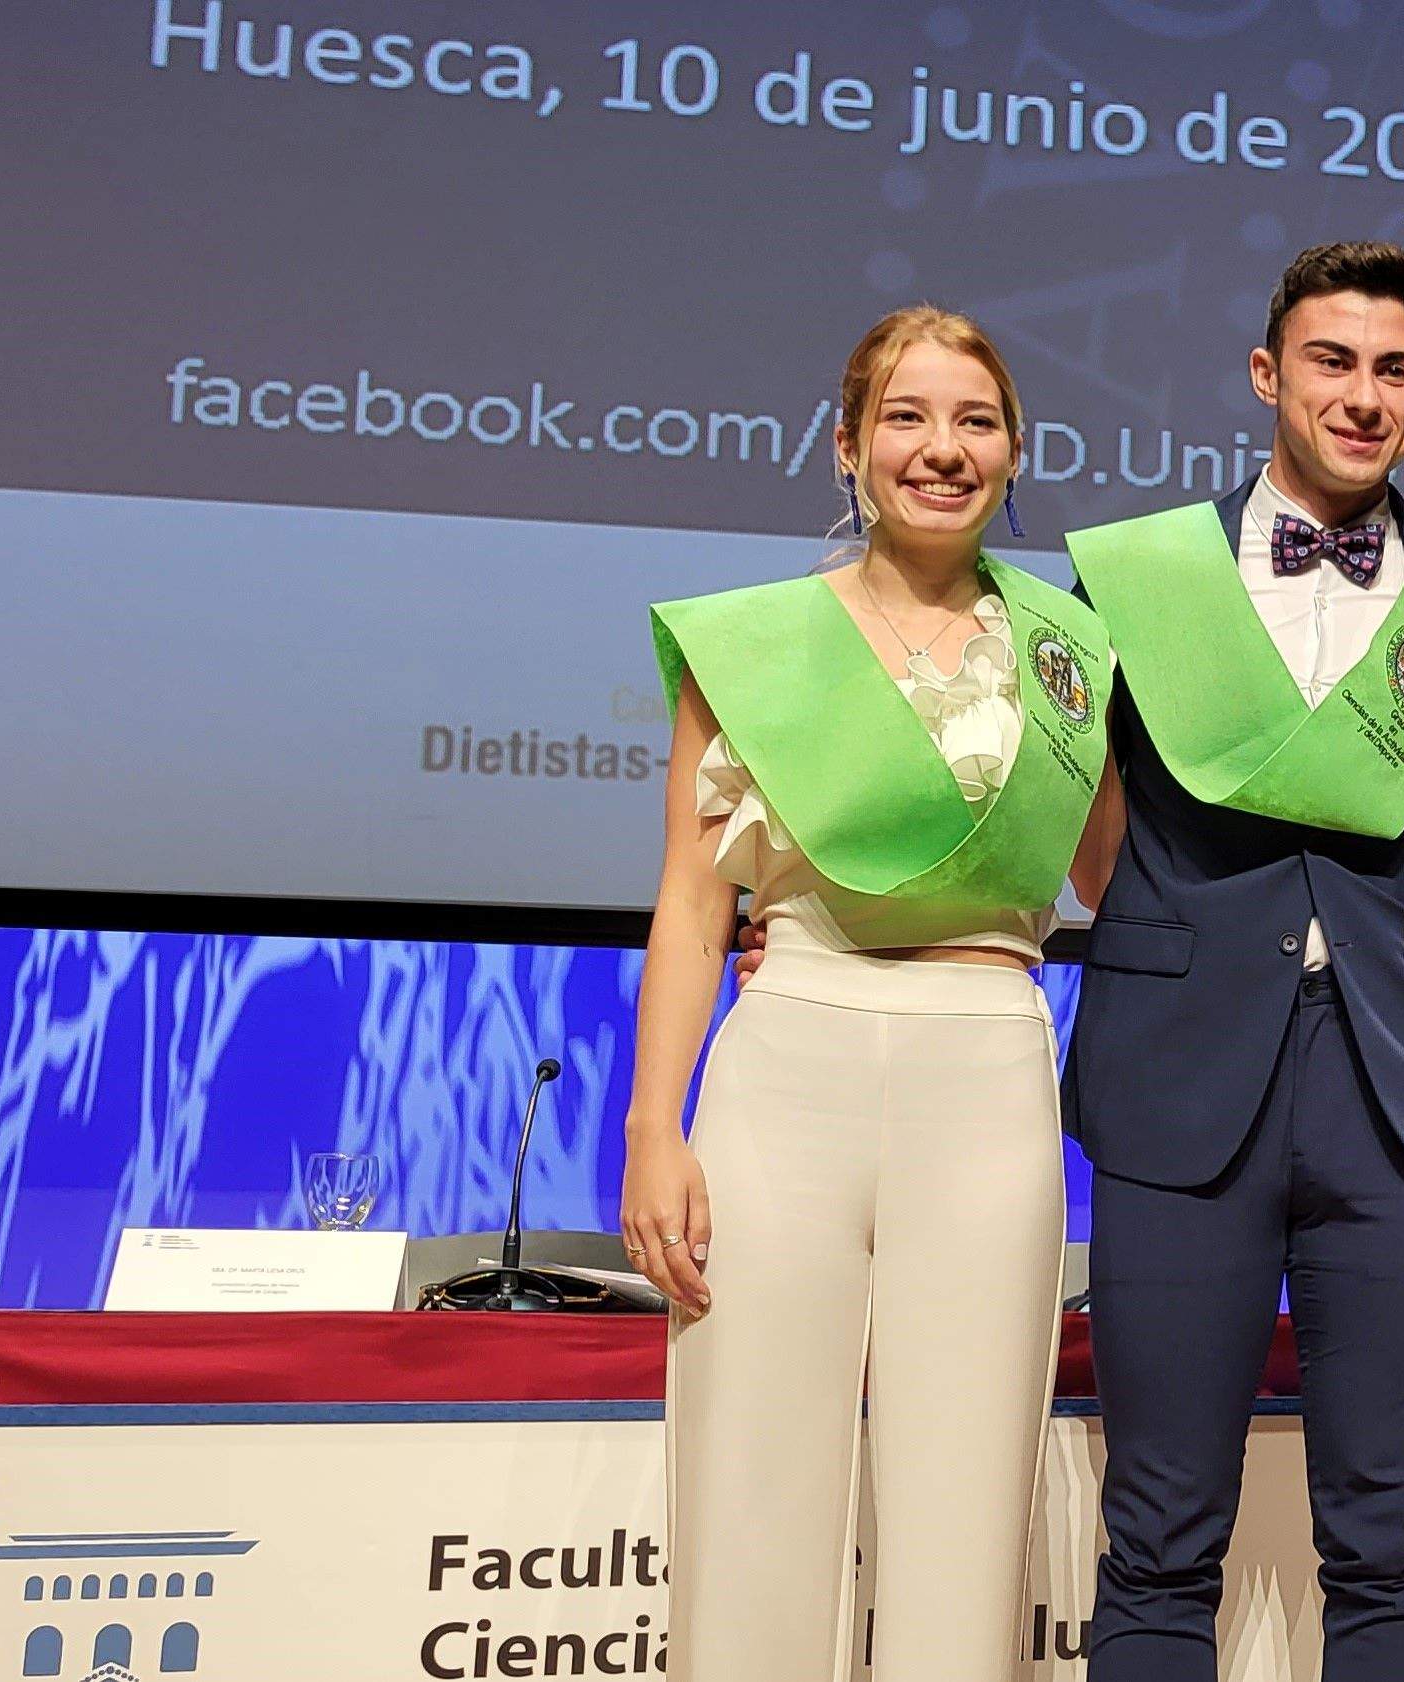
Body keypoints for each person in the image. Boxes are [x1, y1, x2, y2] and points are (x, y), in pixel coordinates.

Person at [1060, 240, 1404, 1682]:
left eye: (1394, 369)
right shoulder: (1137, 578)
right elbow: (1077, 836)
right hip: (1176, 1093)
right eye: (1331, 362)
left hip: (1393, 1108)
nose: (1362, 395)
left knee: (1391, 1547)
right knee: (1156, 1540)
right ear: (1268, 374)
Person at [622, 306, 1122, 1682]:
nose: (940, 449)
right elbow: (689, 897)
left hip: (989, 1063)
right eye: (905, 417)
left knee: (966, 1507)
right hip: (789, 1056)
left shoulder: (1070, 649)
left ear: (1015, 450)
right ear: (847, 446)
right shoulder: (757, 645)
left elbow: (1105, 871)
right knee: (749, 1483)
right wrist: (652, 1126)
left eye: (974, 420)